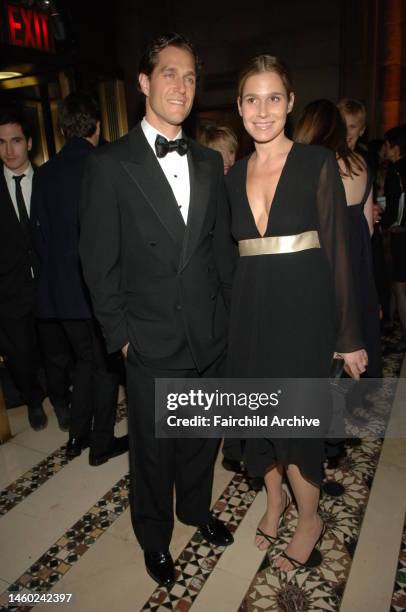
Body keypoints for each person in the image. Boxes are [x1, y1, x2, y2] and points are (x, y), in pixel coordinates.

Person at [79, 33, 235, 587]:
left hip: (207, 335)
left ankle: (196, 510)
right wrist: (121, 338)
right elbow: (97, 264)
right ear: (144, 82)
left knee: (200, 440)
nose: (182, 86)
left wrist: (229, 322)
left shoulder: (211, 163)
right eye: (170, 73)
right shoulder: (110, 165)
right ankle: (154, 535)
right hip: (148, 338)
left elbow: (220, 254)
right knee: (154, 453)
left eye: (191, 77)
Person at [225, 56, 367, 571]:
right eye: (251, 99)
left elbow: (337, 251)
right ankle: (274, 499)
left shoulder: (315, 163)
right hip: (249, 312)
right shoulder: (233, 175)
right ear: (239, 107)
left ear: (289, 103)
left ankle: (310, 518)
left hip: (303, 312)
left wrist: (349, 335)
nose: (263, 110)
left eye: (274, 98)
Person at [31, 92, 127, 464]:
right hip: (96, 290)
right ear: (97, 126)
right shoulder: (103, 163)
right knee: (104, 368)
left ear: (61, 129)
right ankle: (100, 444)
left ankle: (77, 438)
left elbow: (38, 237)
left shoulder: (45, 173)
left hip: (60, 294)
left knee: (84, 363)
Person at [295, 99, 382, 380]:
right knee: (357, 329)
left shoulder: (311, 166)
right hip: (357, 261)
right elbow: (368, 227)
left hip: (324, 263)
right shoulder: (360, 164)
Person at [0, 108, 47, 431]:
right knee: (20, 353)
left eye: (15, 141)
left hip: (48, 285)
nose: (8, 150)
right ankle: (33, 401)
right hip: (9, 290)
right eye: (1, 142)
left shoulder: (48, 180)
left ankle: (60, 398)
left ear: (29, 142)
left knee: (55, 350)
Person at [382, 124, 406, 351]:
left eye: (387, 145)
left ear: (395, 147)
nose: (385, 149)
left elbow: (394, 206)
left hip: (400, 233)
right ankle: (391, 322)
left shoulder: (395, 170)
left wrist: (387, 223)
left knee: (399, 286)